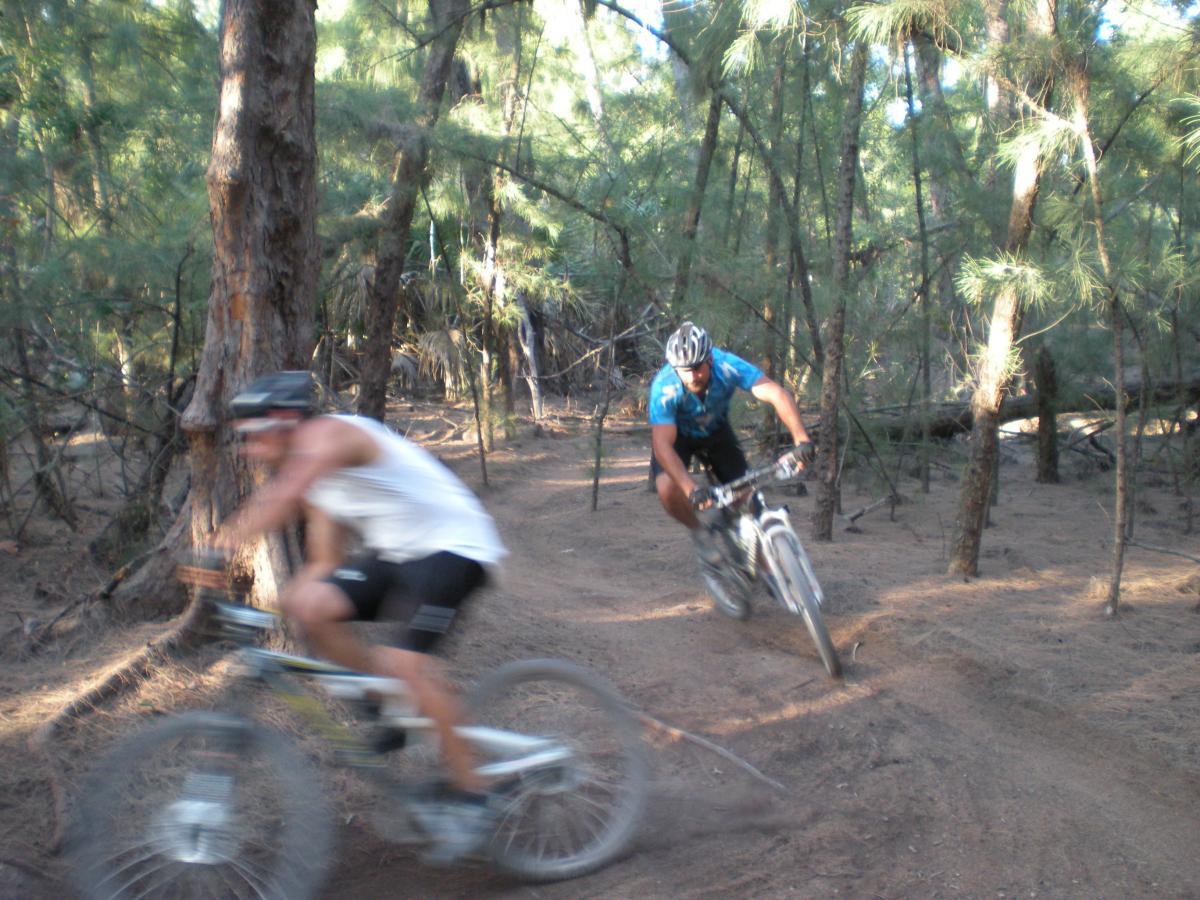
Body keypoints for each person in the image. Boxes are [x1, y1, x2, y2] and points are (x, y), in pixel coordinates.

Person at [211, 370, 507, 862]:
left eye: (250, 435)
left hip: (456, 547)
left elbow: (281, 497)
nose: (246, 449)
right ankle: (385, 707)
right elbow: (324, 561)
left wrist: (217, 545)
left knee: (406, 665)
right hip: (399, 555)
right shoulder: (314, 480)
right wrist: (291, 601)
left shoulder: (330, 435)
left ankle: (475, 793)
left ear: (284, 421)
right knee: (308, 605)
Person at [648, 322, 815, 564]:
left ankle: (772, 571)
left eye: (697, 367)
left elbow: (776, 393)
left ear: (710, 360)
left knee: (746, 497)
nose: (692, 376)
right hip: (678, 439)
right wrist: (691, 489)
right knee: (666, 488)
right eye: (684, 370)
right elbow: (662, 445)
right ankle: (699, 533)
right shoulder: (664, 387)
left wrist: (801, 439)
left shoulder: (726, 365)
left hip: (716, 432)